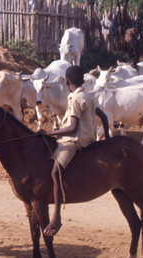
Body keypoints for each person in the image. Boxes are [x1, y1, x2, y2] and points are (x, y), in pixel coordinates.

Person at [37, 66, 109, 236]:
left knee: (55, 172)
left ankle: (56, 217)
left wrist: (48, 132)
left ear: (67, 82)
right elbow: (104, 118)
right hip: (87, 139)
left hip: (74, 142)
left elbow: (72, 127)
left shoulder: (76, 99)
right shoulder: (89, 96)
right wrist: (108, 137)